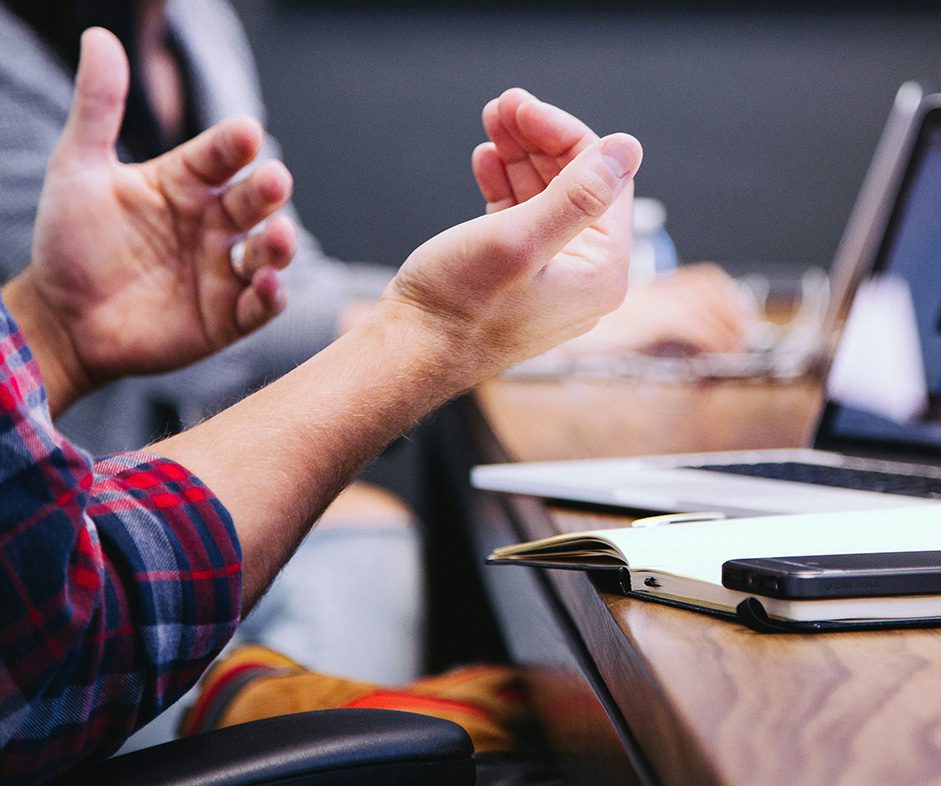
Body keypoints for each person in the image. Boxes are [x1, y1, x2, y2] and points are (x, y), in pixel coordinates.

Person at [0, 0, 753, 691]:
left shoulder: (194, 23)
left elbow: (267, 283)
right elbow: (64, 617)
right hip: (79, 611)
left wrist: (57, 331)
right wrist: (441, 329)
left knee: (376, 535)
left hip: (106, 528)